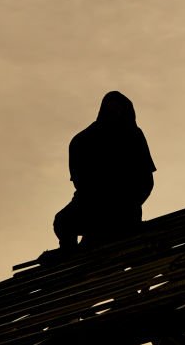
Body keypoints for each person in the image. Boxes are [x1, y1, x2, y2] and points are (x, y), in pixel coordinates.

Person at [53, 91, 155, 250]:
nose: (117, 115)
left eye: (120, 110)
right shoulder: (82, 141)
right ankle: (70, 255)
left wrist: (128, 205)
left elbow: (145, 181)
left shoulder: (133, 135)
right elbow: (81, 184)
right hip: (91, 205)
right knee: (62, 221)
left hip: (125, 207)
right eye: (113, 110)